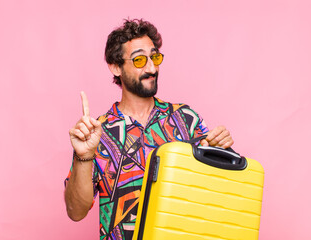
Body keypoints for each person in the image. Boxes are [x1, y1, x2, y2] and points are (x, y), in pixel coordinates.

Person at [64, 19, 234, 240]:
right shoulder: (98, 133)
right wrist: (83, 156)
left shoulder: (185, 119)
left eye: (154, 57)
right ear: (116, 66)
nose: (152, 68)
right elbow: (75, 212)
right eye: (139, 60)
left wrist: (222, 150)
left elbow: (220, 195)